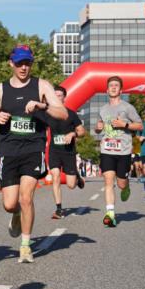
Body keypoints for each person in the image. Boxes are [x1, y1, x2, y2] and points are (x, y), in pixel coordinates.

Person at [0, 45, 69, 262]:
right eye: (20, 63)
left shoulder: (41, 85)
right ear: (11, 63)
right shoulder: (0, 89)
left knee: (26, 198)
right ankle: (15, 215)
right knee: (10, 204)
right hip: (8, 149)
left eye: (28, 63)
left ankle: (25, 246)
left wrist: (42, 106)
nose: (24, 67)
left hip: (33, 148)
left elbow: (62, 112)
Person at [95, 76, 143, 226]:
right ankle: (110, 214)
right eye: (111, 85)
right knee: (108, 181)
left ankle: (126, 185)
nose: (113, 87)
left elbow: (140, 126)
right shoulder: (102, 109)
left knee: (121, 184)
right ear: (106, 90)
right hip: (107, 149)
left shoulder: (127, 107)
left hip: (123, 151)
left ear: (121, 90)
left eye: (116, 85)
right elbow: (99, 128)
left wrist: (125, 125)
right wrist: (98, 128)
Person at [43, 85, 86, 219]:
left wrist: (72, 134)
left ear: (64, 98)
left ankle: (77, 177)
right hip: (54, 150)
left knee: (71, 185)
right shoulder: (48, 113)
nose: (56, 98)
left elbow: (82, 131)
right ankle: (59, 209)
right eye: (54, 95)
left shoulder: (71, 114)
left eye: (59, 95)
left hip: (68, 152)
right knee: (55, 176)